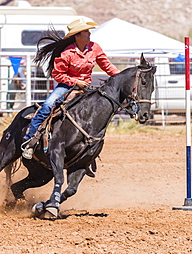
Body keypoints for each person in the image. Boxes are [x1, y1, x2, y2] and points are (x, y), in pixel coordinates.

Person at [22, 18, 120, 159]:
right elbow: (57, 74)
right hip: (66, 87)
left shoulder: (95, 48)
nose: (89, 33)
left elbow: (107, 66)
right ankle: (30, 141)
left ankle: (88, 149)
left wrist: (123, 77)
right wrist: (75, 81)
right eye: (86, 31)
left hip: (86, 87)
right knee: (48, 105)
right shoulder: (67, 53)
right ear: (77, 36)